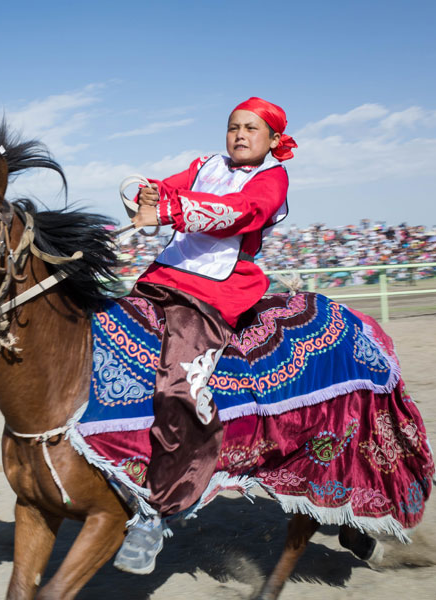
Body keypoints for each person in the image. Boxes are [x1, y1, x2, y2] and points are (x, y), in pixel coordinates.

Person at [114, 97, 296, 574]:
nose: (239, 134)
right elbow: (162, 191)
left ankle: (159, 511)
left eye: (251, 129)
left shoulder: (273, 179)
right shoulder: (204, 165)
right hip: (160, 281)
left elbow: (238, 213)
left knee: (179, 388)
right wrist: (149, 196)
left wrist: (168, 208)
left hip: (213, 297)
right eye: (233, 126)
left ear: (273, 139)